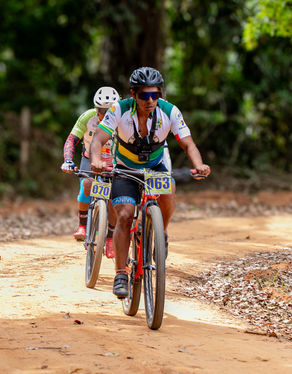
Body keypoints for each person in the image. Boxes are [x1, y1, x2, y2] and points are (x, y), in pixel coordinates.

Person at [89, 67, 211, 298]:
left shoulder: (170, 111)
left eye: (155, 95)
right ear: (134, 95)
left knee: (169, 191)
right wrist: (95, 161)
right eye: (144, 95)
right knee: (124, 215)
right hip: (125, 168)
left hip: (155, 167)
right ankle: (120, 275)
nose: (150, 100)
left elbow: (188, 144)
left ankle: (159, 231)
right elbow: (98, 140)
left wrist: (199, 164)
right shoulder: (119, 109)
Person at [60, 86, 120, 258]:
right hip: (90, 158)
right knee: (86, 183)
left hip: (113, 162)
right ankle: (83, 224)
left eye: (109, 111)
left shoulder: (123, 121)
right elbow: (71, 140)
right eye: (101, 111)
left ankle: (109, 238)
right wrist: (68, 161)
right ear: (95, 109)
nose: (105, 115)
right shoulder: (87, 117)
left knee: (112, 198)